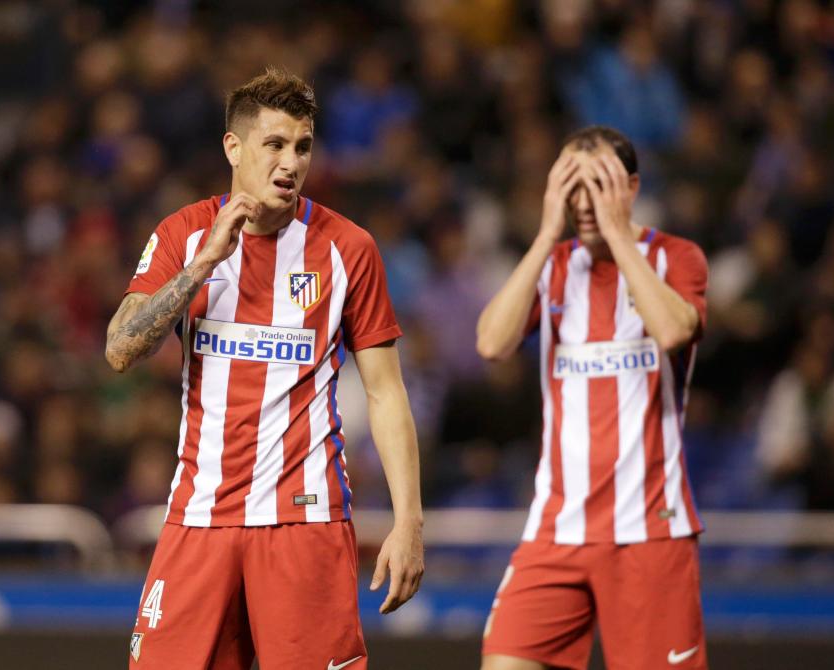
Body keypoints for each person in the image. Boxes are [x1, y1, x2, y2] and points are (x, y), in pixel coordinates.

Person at [105, 68, 424, 670]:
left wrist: (409, 520)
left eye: (303, 146)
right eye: (275, 144)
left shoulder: (347, 249)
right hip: (200, 518)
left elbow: (386, 394)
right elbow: (120, 349)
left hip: (305, 523)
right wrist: (203, 266)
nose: (291, 162)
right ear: (234, 147)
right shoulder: (185, 233)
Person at [477, 126, 709, 670]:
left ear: (631, 186)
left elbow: (675, 329)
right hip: (557, 528)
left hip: (650, 530)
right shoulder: (554, 268)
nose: (583, 203)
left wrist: (618, 235)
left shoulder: (677, 257)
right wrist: (543, 237)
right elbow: (491, 342)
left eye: (598, 185)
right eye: (571, 187)